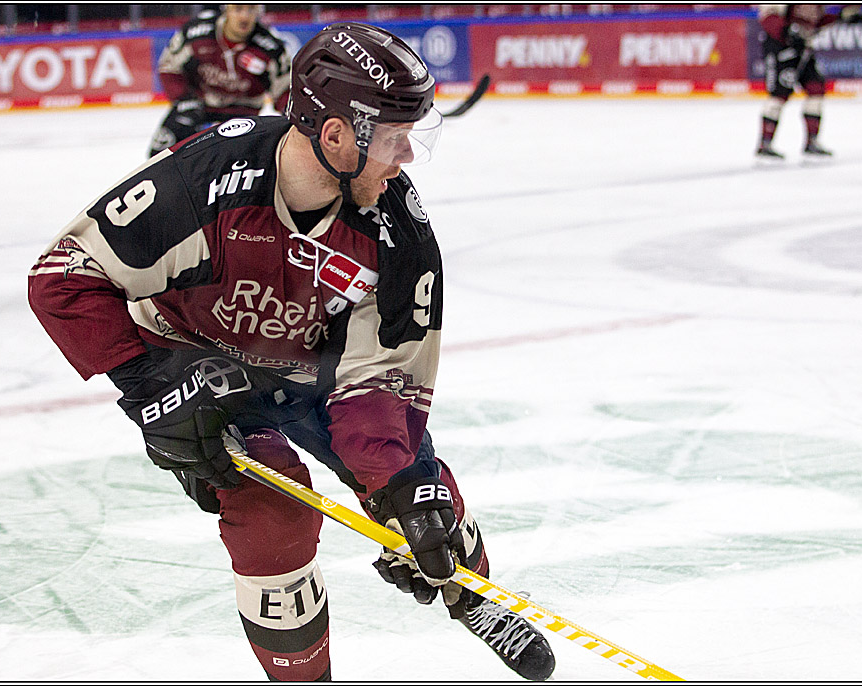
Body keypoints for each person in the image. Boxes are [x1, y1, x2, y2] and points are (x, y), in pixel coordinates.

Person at [29, 22, 556, 682]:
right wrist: (147, 386)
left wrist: (399, 485)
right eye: (395, 138)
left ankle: (474, 595)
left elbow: (380, 381)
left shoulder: (396, 233)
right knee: (274, 512)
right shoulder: (202, 183)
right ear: (334, 135)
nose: (408, 158)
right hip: (202, 368)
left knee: (423, 492)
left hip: (318, 372)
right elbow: (64, 276)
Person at [147, 4, 292, 158]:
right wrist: (183, 99)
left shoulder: (272, 48)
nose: (245, 17)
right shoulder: (196, 33)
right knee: (159, 155)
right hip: (196, 107)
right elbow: (169, 67)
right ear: (226, 10)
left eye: (251, 10)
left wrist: (292, 119)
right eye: (238, 9)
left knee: (233, 167)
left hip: (242, 114)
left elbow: (284, 91)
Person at [755, 4, 862, 160]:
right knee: (779, 94)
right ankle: (765, 144)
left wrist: (841, 17)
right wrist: (786, 32)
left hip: (804, 49)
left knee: (816, 89)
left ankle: (811, 142)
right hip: (781, 50)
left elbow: (815, 23)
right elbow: (768, 17)